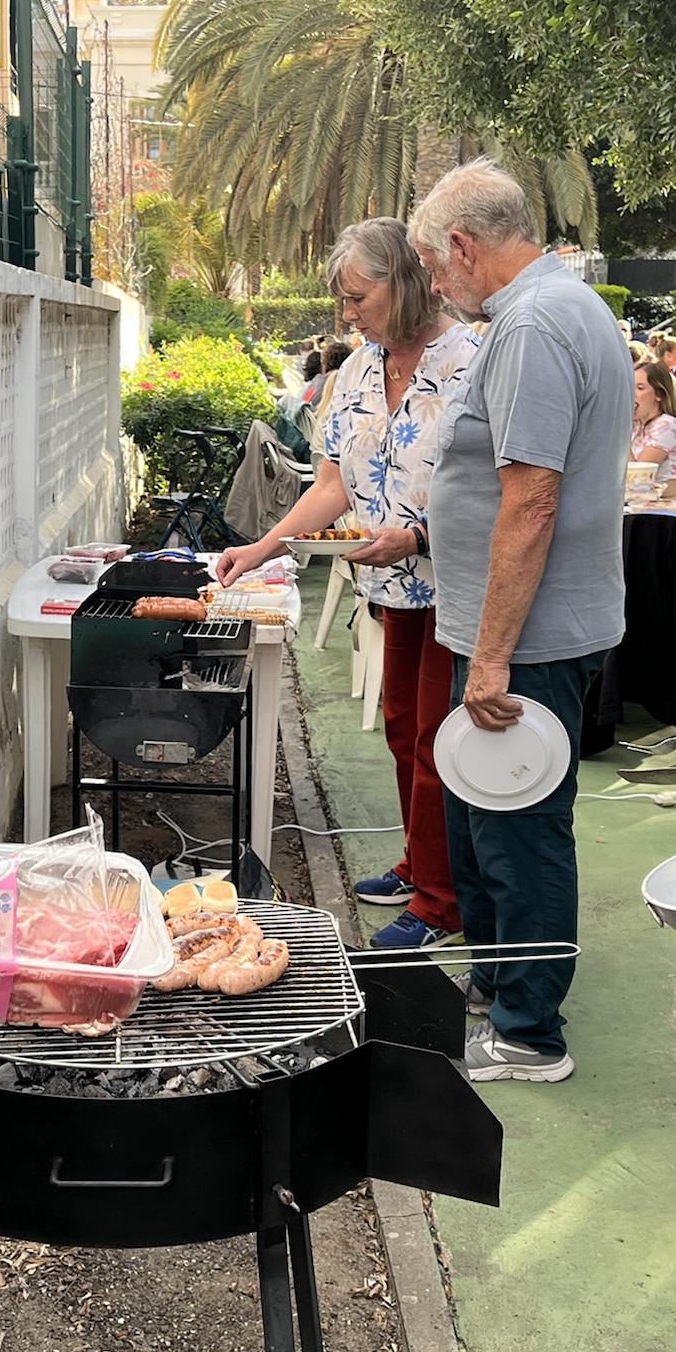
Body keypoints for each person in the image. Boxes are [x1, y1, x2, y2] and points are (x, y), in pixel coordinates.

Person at [414, 160, 630, 1083]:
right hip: (515, 630)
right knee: (486, 823)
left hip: (526, 639)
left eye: (434, 265)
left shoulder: (535, 323)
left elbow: (531, 499)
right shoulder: (550, 310)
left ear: (464, 246)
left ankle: (529, 1033)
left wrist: (494, 655)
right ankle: (502, 983)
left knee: (520, 833)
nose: (435, 285)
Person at [216, 219, 479, 950]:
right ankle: (419, 865)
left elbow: (496, 490)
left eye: (358, 297)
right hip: (390, 587)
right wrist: (262, 547)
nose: (347, 312)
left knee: (438, 743)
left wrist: (416, 538)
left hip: (457, 588)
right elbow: (330, 485)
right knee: (403, 731)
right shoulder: (359, 369)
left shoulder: (471, 360)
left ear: (406, 283)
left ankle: (442, 904)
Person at [630, 359, 676, 497]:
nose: (632, 394)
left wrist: (619, 434)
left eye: (640, 388)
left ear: (659, 394)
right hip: (640, 502)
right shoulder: (637, 425)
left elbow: (638, 477)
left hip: (668, 503)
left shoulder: (667, 425)